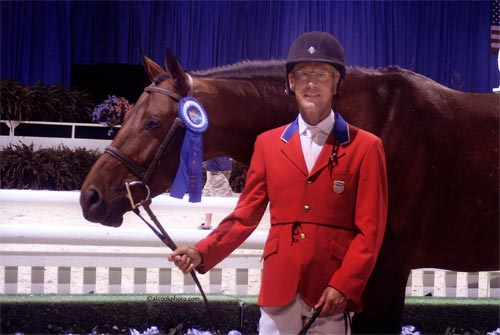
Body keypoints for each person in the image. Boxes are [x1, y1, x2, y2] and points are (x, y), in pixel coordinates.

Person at [168, 31, 388, 334]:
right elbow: (244, 217)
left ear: (337, 83)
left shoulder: (366, 147)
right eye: (303, 74)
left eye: (322, 74)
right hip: (279, 289)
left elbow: (370, 231)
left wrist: (345, 285)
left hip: (330, 293)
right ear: (291, 82)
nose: (311, 83)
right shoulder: (267, 145)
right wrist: (202, 251)